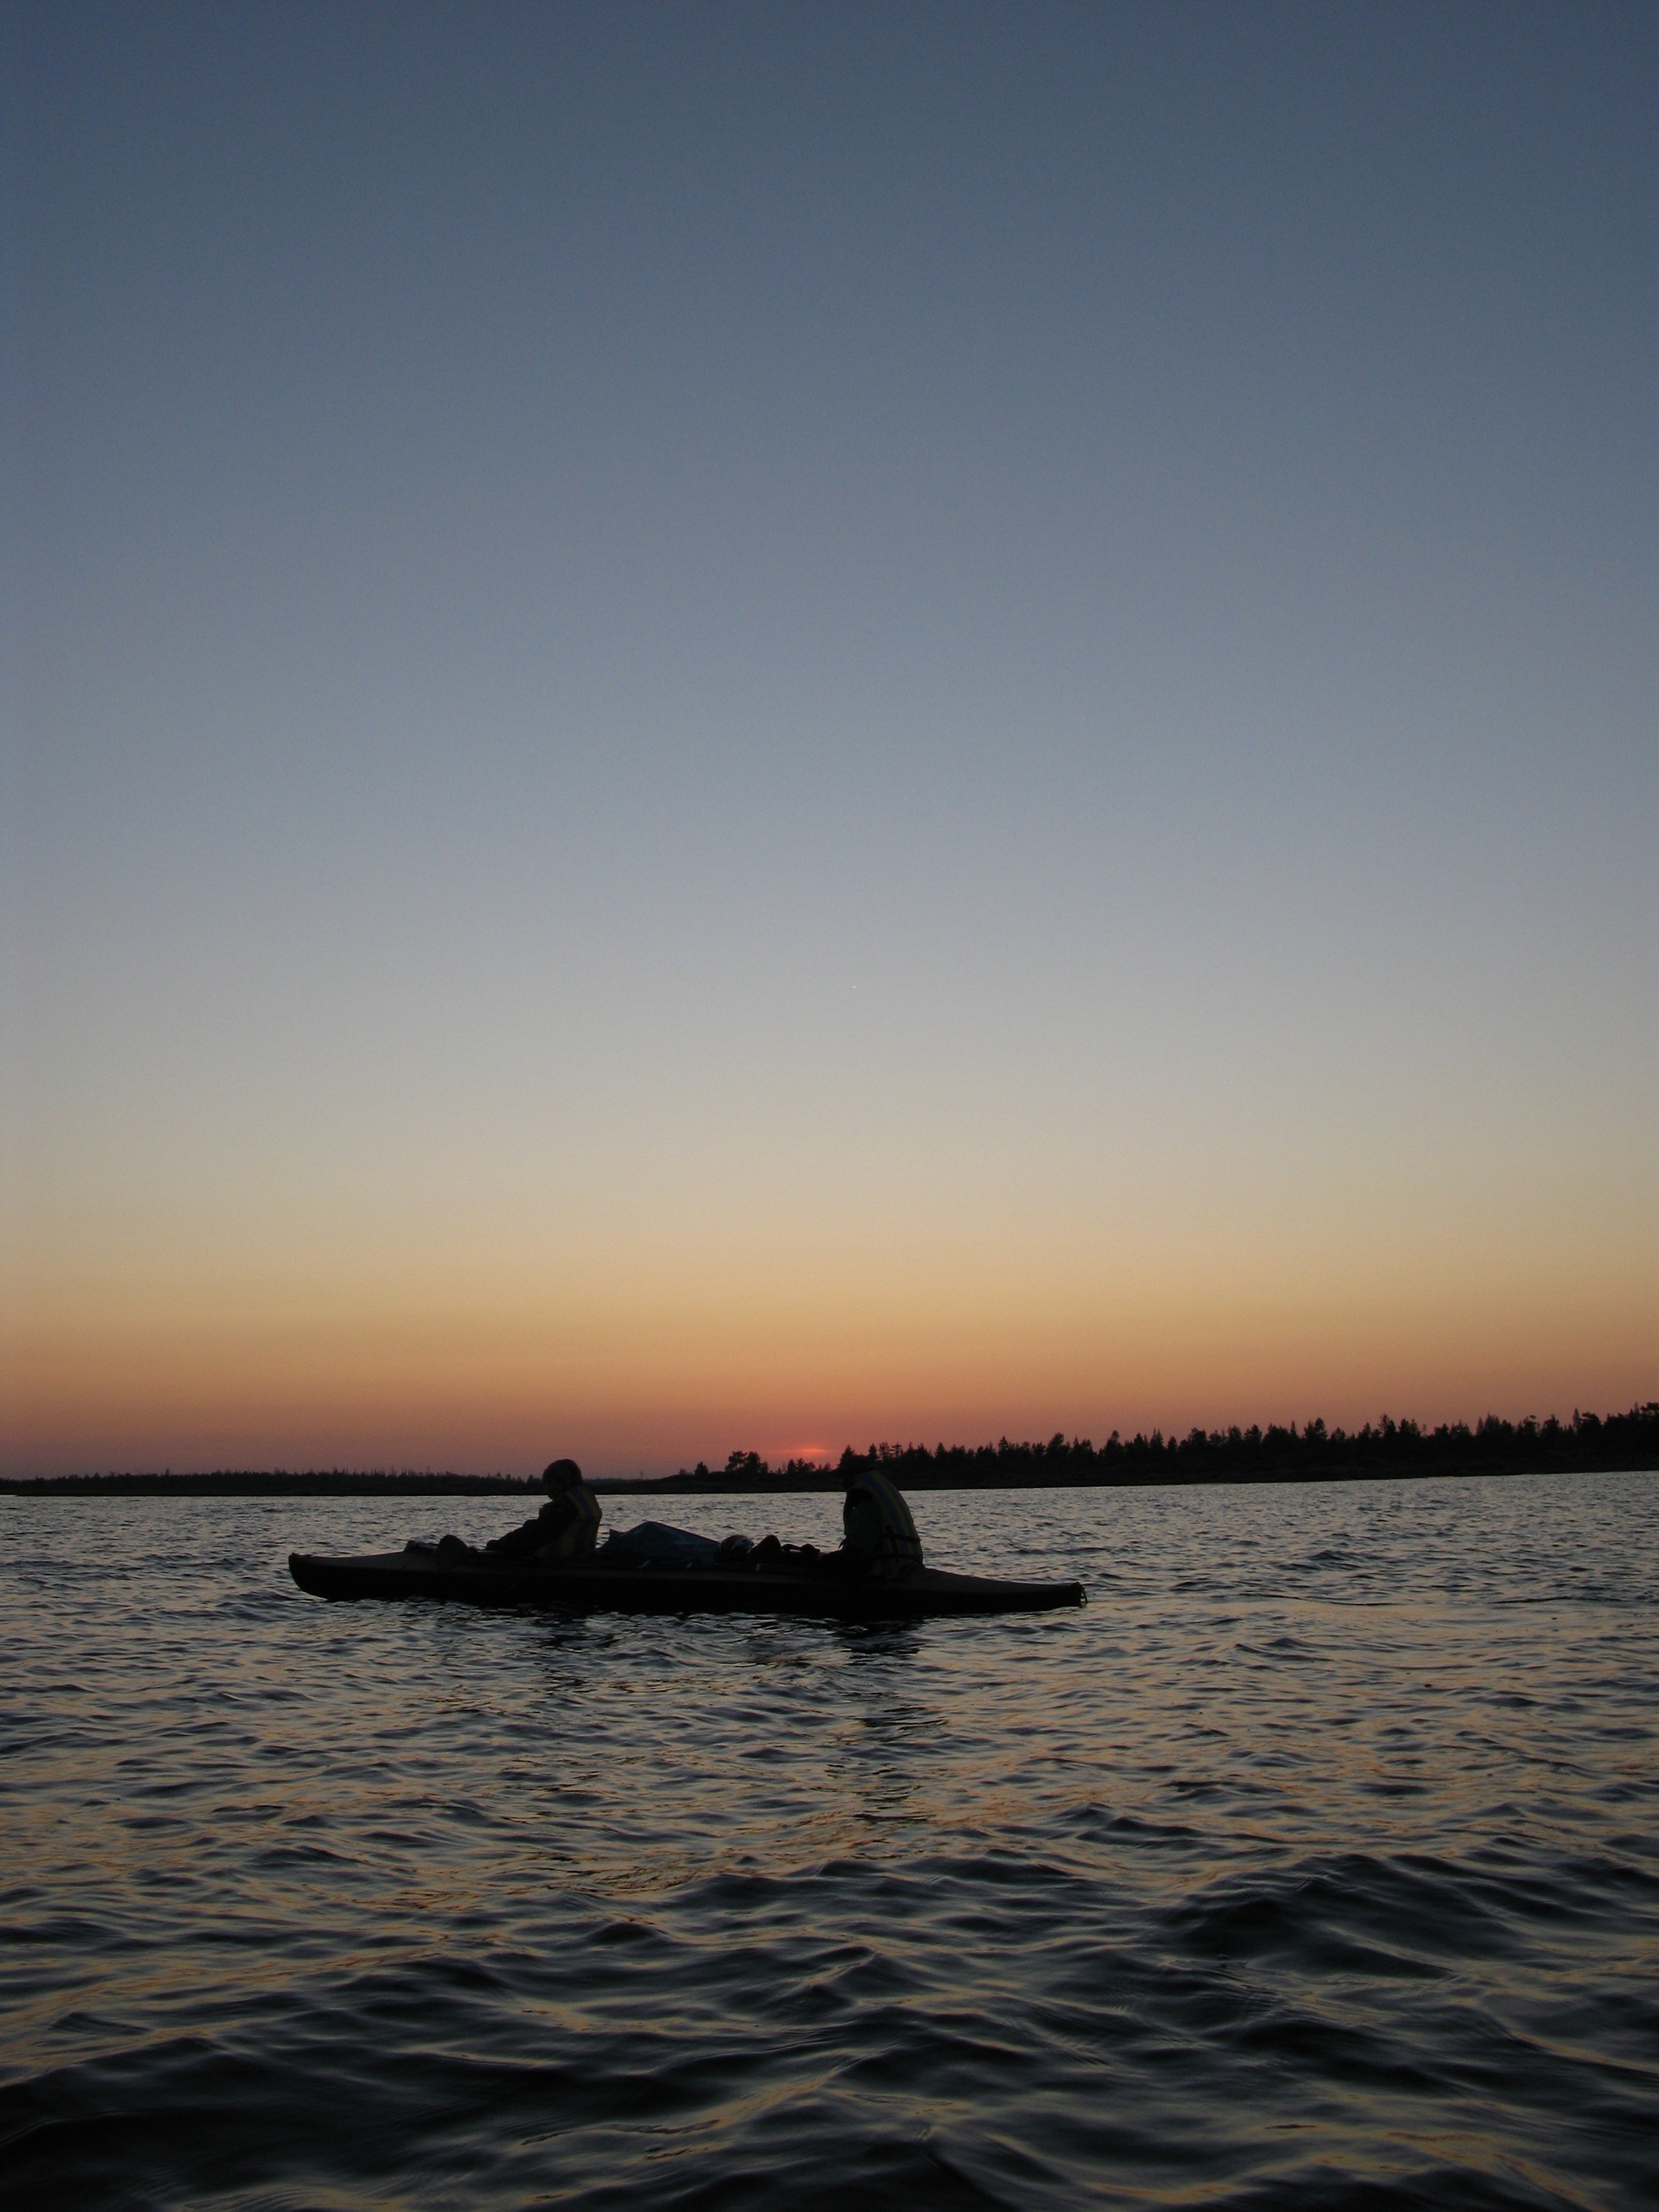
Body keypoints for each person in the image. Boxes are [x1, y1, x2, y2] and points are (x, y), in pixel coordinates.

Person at [482, 1458, 603, 1565]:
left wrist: (497, 1546)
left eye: (555, 1483)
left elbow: (534, 1534)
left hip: (554, 1565)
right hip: (576, 1562)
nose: (550, 1488)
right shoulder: (584, 1502)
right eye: (548, 1483)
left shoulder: (565, 1508)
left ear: (567, 1482)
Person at [839, 1464, 923, 1579]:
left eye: (843, 1478)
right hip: (911, 1561)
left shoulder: (866, 1506)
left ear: (853, 1479)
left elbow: (859, 1552)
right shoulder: (882, 1493)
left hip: (891, 1567)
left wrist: (821, 1560)